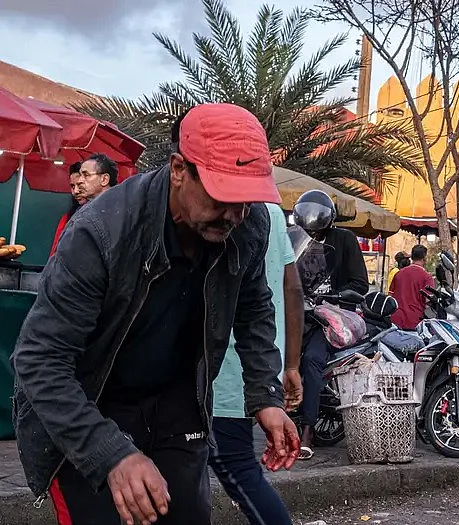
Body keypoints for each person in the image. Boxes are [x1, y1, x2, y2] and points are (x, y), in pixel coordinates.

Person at [13, 103, 300, 525]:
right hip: (91, 401)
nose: (236, 216)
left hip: (178, 403)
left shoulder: (248, 224)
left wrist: (264, 396)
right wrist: (111, 453)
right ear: (179, 169)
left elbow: (254, 306)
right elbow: (39, 359)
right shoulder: (101, 232)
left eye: (246, 201)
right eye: (224, 198)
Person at [209, 203, 304, 525]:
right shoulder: (273, 213)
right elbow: (292, 288)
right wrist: (290, 365)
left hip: (227, 369)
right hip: (262, 362)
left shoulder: (215, 208)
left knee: (234, 465)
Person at [291, 190, 368, 460]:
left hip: (329, 317)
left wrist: (334, 296)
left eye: (318, 230)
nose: (313, 235)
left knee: (312, 359)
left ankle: (307, 431)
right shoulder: (293, 240)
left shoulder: (344, 240)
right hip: (298, 311)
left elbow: (360, 283)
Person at [50, 155, 119, 256]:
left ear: (104, 179)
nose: (80, 181)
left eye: (86, 175)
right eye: (73, 186)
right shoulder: (78, 215)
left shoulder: (118, 214)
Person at [390, 244, 435, 330]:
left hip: (395, 320)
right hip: (415, 321)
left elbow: (390, 297)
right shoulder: (427, 277)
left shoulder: (398, 274)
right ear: (424, 258)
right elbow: (428, 301)